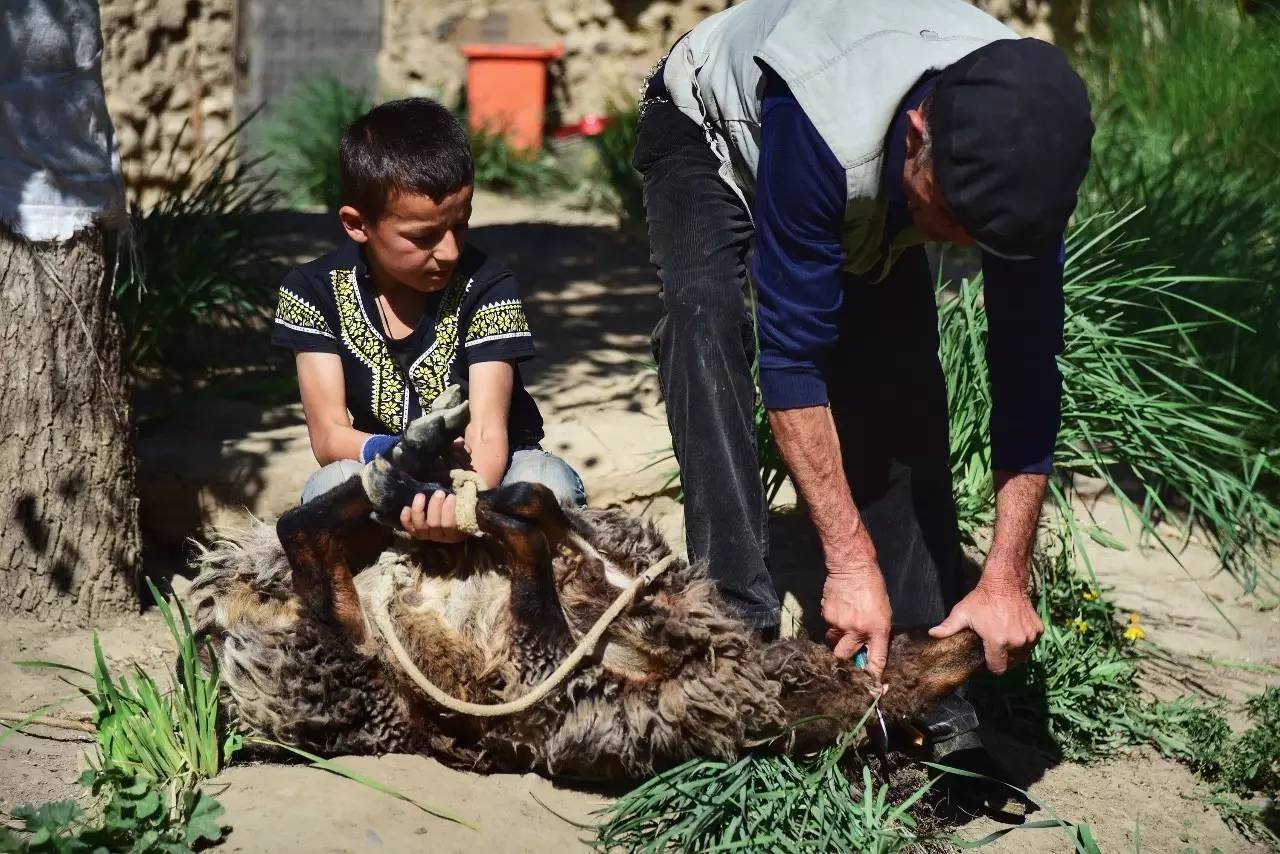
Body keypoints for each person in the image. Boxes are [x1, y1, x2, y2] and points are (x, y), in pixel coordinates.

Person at [633, 0, 1093, 815]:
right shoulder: (823, 124)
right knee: (707, 320)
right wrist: (846, 566)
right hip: (712, 122)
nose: (956, 243)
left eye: (975, 231)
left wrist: (1005, 576)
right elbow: (793, 362)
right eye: (947, 216)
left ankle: (927, 681)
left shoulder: (1019, 159)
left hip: (869, 166)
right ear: (918, 131)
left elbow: (1028, 369)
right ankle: (733, 641)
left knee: (900, 375)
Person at [272, 98, 585, 539]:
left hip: (490, 474)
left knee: (548, 485)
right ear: (357, 224)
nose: (450, 251)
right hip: (385, 471)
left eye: (461, 224)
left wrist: (465, 503)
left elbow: (489, 431)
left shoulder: (487, 284)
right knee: (329, 487)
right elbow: (328, 437)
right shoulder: (312, 291)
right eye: (424, 237)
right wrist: (399, 458)